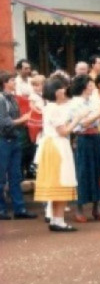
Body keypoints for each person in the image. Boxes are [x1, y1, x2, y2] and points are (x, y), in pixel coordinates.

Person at [34, 75, 80, 231]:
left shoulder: (52, 107)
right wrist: (77, 120)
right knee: (61, 180)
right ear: (56, 91)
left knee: (60, 181)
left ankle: (56, 219)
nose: (64, 90)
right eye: (61, 88)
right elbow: (63, 131)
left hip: (54, 145)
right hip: (57, 146)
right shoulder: (53, 109)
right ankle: (58, 220)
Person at [70, 75, 100, 222]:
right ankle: (79, 209)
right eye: (90, 84)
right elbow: (84, 123)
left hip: (96, 137)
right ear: (83, 86)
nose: (92, 87)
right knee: (83, 172)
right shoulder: (75, 103)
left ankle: (97, 208)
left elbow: (99, 120)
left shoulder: (93, 101)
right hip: (83, 137)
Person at [0, 72, 37, 220]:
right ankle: (2, 209)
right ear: (4, 83)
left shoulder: (12, 98)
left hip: (13, 140)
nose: (14, 82)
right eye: (11, 80)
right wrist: (23, 119)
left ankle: (19, 208)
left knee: (16, 176)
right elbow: (4, 122)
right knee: (1, 177)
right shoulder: (2, 99)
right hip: (3, 140)